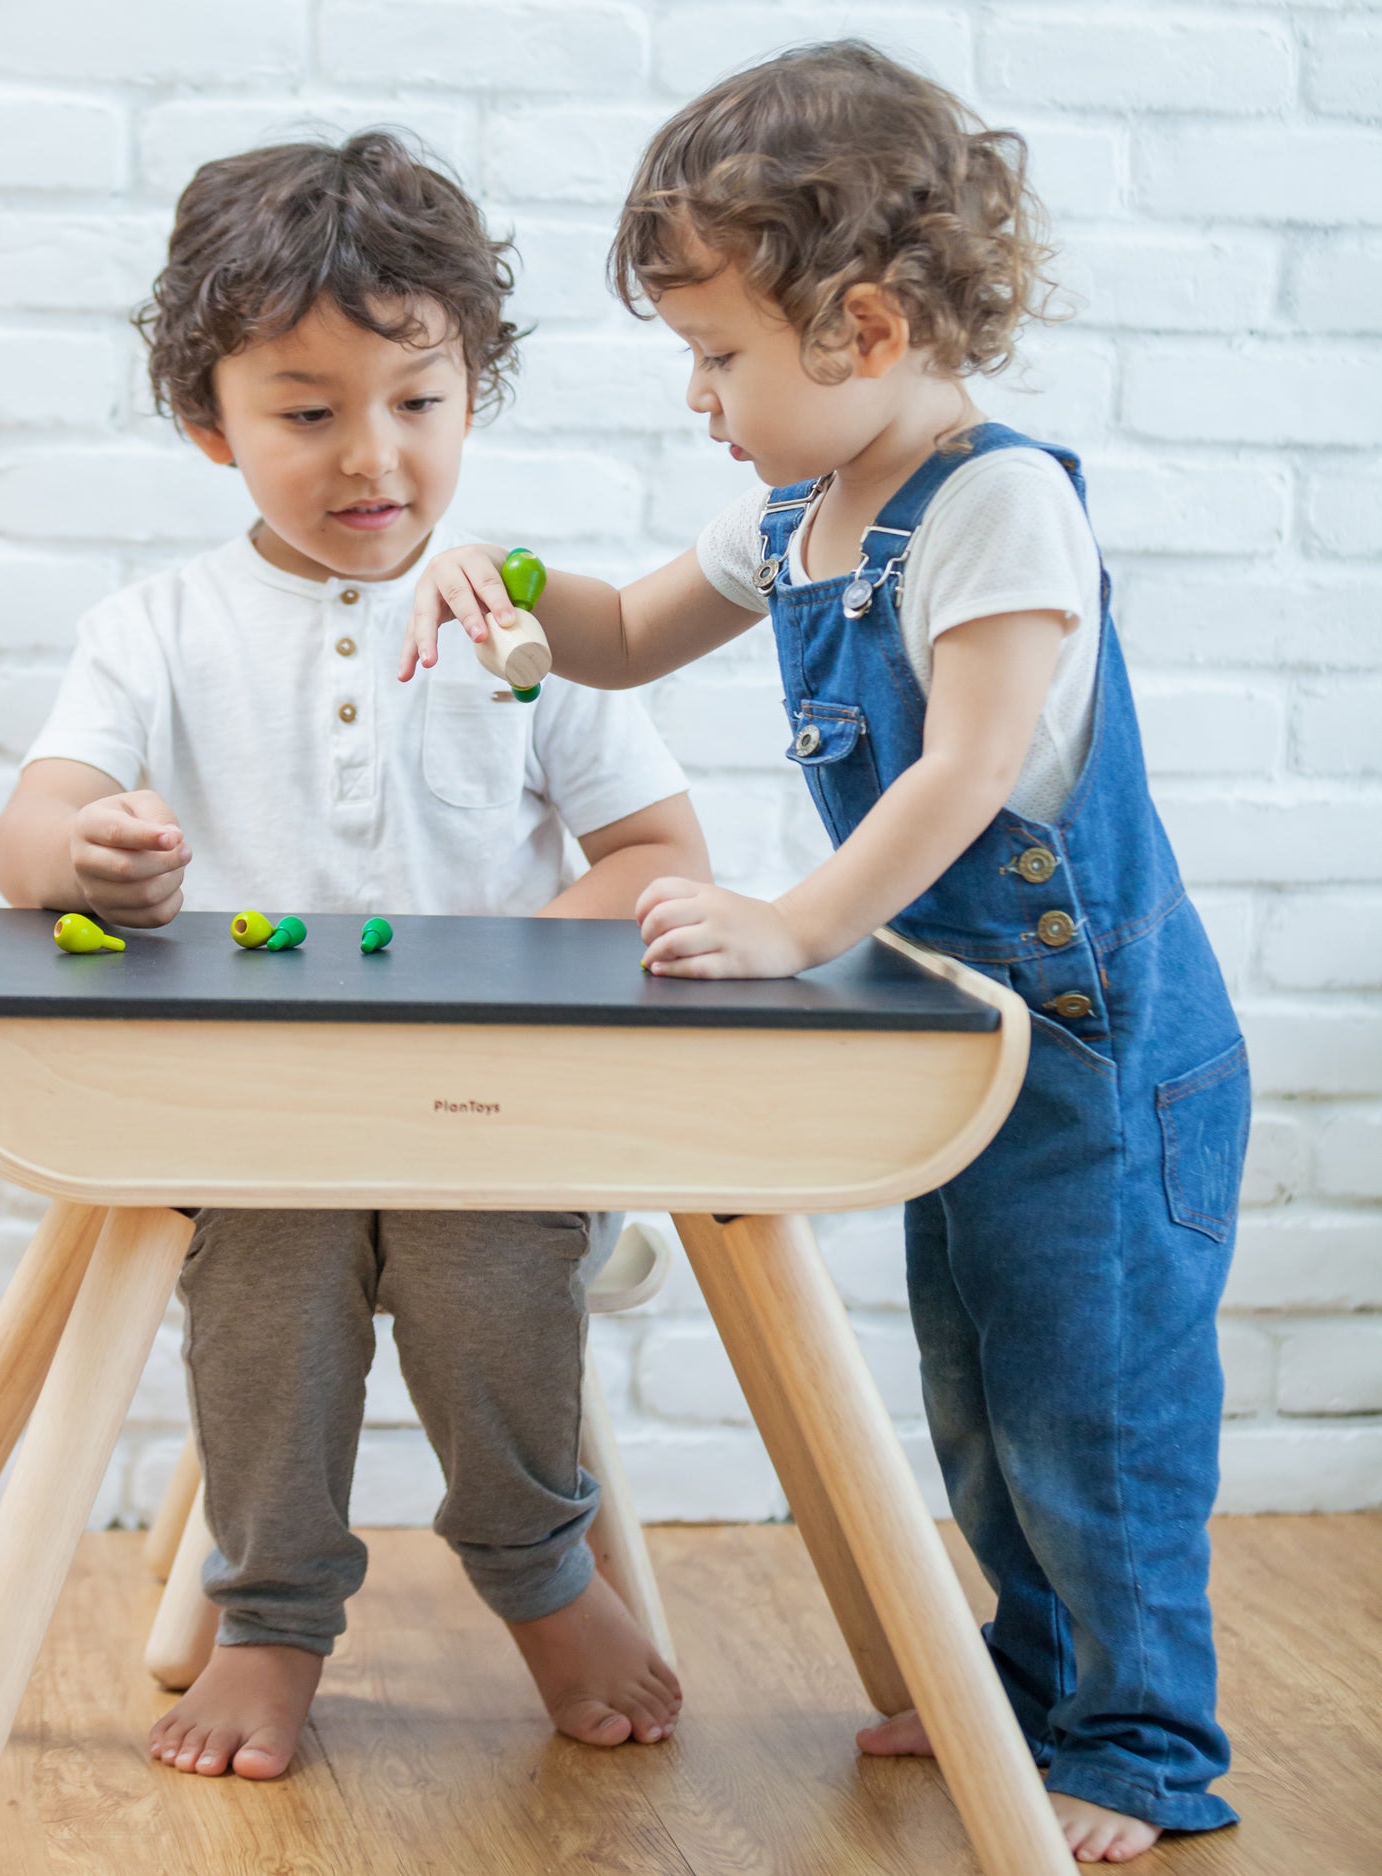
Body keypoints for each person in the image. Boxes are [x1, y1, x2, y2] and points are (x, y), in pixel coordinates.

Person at [401, 45, 1248, 1864]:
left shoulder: (1001, 508)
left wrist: (791, 923)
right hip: (973, 1043)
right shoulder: (797, 514)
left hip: (1103, 1054)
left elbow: (961, 768)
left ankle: (1143, 1749)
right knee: (979, 1392)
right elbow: (619, 635)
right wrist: (500, 572)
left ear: (860, 327)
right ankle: (1020, 1697)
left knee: (1093, 1410)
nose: (699, 398)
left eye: (716, 356)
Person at [0, 131, 701, 1781]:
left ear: (471, 396)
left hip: (492, 1118)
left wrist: (509, 975)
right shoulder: (155, 631)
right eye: (306, 412)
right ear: (208, 422)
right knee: (267, 1289)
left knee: (484, 1277)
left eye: (417, 400)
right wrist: (80, 856)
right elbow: (32, 830)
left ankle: (539, 1572)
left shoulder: (535, 624)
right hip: (262, 1121)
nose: (369, 453)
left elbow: (661, 860)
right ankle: (271, 1616)